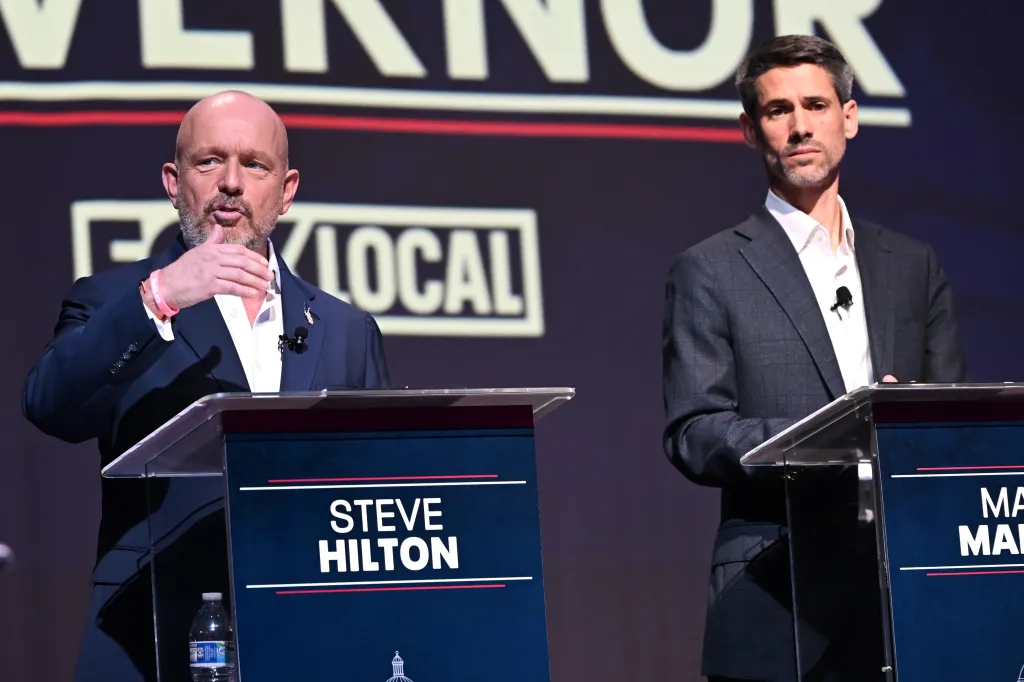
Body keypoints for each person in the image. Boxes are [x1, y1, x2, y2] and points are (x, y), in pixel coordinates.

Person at [22, 90, 390, 682]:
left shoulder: (347, 329)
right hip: (150, 638)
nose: (232, 183)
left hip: (310, 638)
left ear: (286, 190)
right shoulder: (113, 301)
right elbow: (50, 405)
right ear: (174, 181)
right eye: (209, 161)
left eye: (255, 164)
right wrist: (159, 297)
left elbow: (376, 492)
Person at [661, 35, 966, 682]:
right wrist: (837, 435)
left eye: (816, 105)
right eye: (778, 111)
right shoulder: (711, 270)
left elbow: (950, 428)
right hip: (777, 589)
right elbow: (694, 432)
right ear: (750, 130)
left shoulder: (913, 266)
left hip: (905, 589)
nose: (800, 126)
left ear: (848, 119)